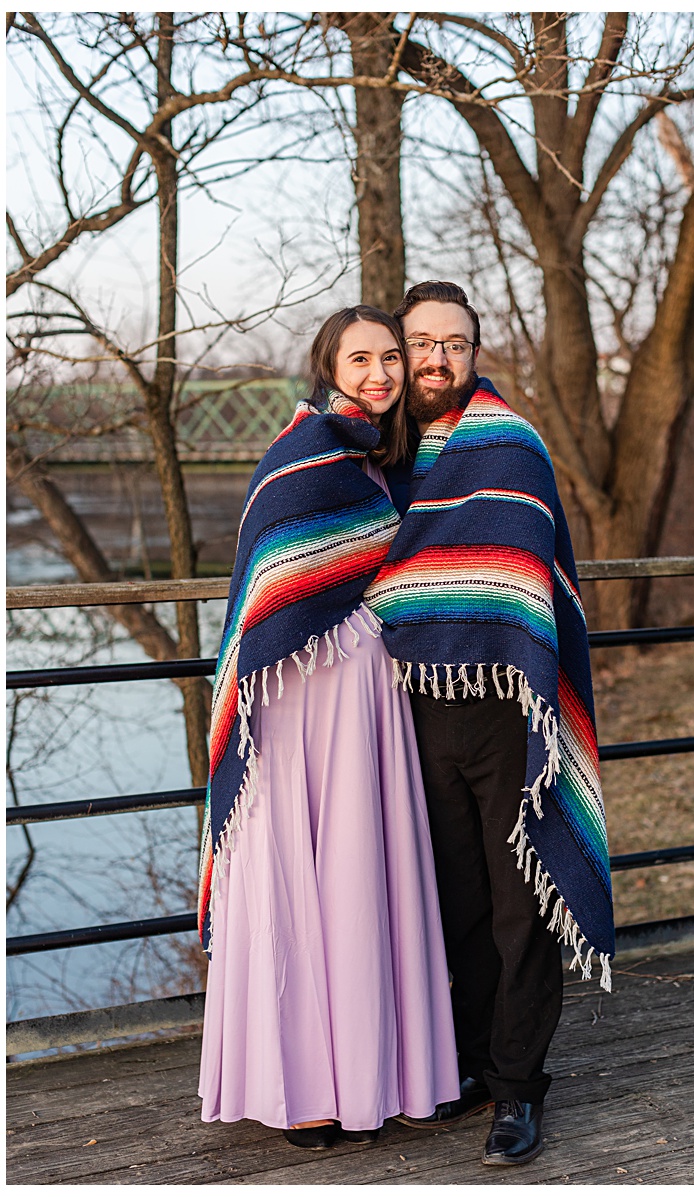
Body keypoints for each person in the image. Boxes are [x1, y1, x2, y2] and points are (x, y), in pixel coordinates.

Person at [197, 305, 458, 1149]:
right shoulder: (304, 454)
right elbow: (269, 587)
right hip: (297, 697)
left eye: (391, 357)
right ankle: (305, 1089)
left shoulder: (379, 459)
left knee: (359, 876)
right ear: (330, 366)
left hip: (362, 697)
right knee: (296, 881)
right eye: (362, 360)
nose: (380, 374)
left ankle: (376, 1075)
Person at [368, 280, 615, 1165]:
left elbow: (529, 575)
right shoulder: (375, 450)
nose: (438, 358)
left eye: (455, 344)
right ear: (401, 349)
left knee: (520, 904)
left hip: (505, 704)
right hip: (400, 707)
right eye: (422, 343)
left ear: (476, 352)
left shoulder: (508, 443)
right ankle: (469, 1061)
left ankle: (518, 1089)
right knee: (449, 900)